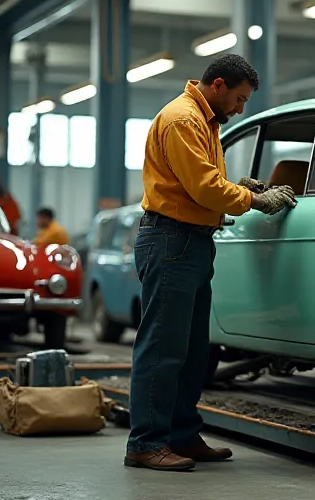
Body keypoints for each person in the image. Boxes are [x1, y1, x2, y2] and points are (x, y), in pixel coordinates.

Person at [124, 54, 297, 472]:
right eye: (238, 99)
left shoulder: (204, 122)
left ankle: (182, 434)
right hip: (172, 241)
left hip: (191, 242)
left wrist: (239, 186)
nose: (240, 109)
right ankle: (145, 443)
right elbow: (203, 188)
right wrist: (256, 199)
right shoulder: (183, 120)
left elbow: (197, 182)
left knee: (191, 351)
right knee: (163, 348)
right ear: (217, 85)